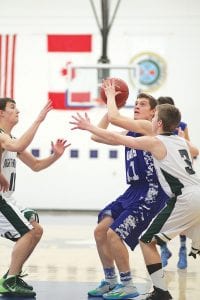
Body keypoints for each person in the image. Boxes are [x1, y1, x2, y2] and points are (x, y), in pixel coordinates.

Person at [70, 102, 200, 300]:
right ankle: (150, 289)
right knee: (113, 233)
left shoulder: (155, 141)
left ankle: (160, 292)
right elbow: (194, 151)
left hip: (183, 197)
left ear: (158, 123)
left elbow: (115, 136)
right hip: (193, 192)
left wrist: (89, 126)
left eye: (154, 116)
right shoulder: (180, 141)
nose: (152, 119)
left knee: (146, 240)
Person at [0, 97, 70, 297]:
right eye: (12, 107)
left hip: (7, 199)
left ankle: (11, 275)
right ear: (1, 113)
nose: (18, 111)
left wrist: (55, 156)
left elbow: (36, 165)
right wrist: (39, 119)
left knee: (36, 230)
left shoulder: (10, 139)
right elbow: (18, 144)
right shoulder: (3, 137)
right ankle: (10, 281)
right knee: (28, 233)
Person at [157, 96, 191, 269]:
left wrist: (182, 140)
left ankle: (183, 249)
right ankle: (164, 249)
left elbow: (191, 151)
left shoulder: (182, 126)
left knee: (181, 218)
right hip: (161, 177)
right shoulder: (154, 128)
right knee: (161, 217)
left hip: (178, 177)